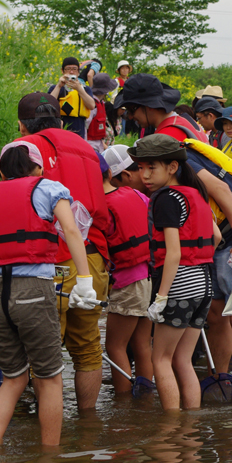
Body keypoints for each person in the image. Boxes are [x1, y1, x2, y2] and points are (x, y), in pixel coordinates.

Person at [131, 75, 232, 386]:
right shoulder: (174, 137)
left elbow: (221, 189)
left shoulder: (177, 155)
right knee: (216, 316)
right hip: (226, 235)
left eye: (133, 111)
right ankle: (219, 381)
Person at [0, 141, 96, 449]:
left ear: (1, 170)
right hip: (32, 291)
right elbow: (72, 231)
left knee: (13, 378)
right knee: (49, 379)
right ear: (38, 168)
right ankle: (50, 456)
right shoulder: (48, 188)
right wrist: (84, 279)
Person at [15, 92, 110, 410]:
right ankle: (87, 426)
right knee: (88, 349)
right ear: (59, 119)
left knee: (44, 353)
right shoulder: (87, 147)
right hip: (92, 260)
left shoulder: (26, 150)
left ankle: (48, 438)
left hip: (49, 262)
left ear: (21, 125)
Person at [128, 135, 219, 411]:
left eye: (151, 168)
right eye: (141, 168)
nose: (144, 175)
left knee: (161, 360)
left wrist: (162, 297)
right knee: (182, 360)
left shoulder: (167, 199)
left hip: (180, 284)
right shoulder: (197, 195)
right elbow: (215, 236)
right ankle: (189, 427)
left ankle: (170, 429)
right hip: (204, 283)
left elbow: (174, 254)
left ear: (171, 167)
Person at [101, 145, 154, 394]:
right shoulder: (139, 196)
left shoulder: (104, 208)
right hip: (146, 279)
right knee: (142, 344)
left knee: (114, 347)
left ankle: (122, 403)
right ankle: (144, 400)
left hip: (126, 283)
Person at [116, 74, 206, 143]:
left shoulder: (166, 137)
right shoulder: (184, 121)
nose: (130, 117)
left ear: (150, 105)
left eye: (132, 110)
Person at [48, 57, 97, 139]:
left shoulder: (85, 89)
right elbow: (48, 104)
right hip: (60, 129)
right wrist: (59, 86)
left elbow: (91, 105)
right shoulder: (56, 88)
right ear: (62, 71)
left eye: (74, 69)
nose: (71, 72)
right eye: (68, 69)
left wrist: (79, 89)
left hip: (79, 130)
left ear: (78, 72)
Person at [87, 72, 118, 153]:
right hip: (90, 146)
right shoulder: (92, 105)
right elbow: (85, 126)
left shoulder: (101, 103)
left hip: (99, 144)